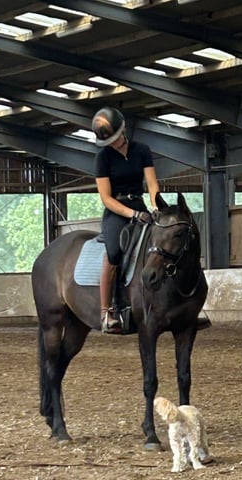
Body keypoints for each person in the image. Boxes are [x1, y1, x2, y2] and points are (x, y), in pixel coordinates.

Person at [92, 107, 157, 334]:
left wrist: (156, 205)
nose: (112, 142)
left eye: (114, 137)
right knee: (114, 253)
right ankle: (107, 311)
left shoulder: (142, 150)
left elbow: (151, 183)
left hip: (140, 204)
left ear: (123, 129)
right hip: (116, 211)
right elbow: (106, 198)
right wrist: (132, 214)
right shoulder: (103, 157)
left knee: (165, 242)